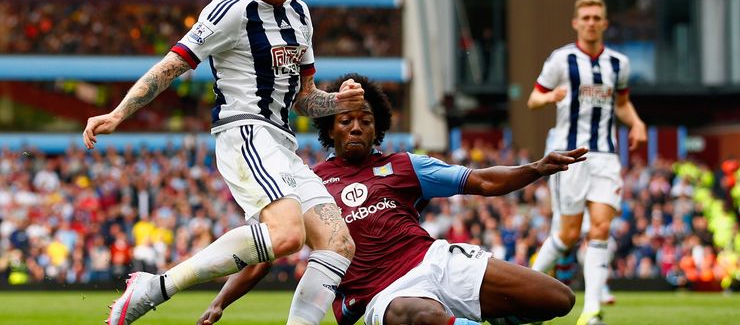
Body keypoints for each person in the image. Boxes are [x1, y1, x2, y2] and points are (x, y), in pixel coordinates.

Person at [82, 0, 364, 325]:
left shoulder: (300, 13)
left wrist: (338, 102)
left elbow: (304, 100)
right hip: (244, 131)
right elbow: (171, 66)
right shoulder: (228, 10)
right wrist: (119, 112)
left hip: (281, 142)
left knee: (338, 243)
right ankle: (155, 288)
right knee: (287, 236)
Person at [195, 73, 587, 325]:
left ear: (377, 128)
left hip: (434, 261)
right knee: (422, 315)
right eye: (345, 121)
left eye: (365, 121)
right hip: (381, 295)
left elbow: (481, 181)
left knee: (557, 299)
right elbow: (263, 254)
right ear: (328, 131)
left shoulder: (405, 166)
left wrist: (535, 168)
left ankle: (491, 314)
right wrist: (220, 302)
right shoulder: (306, 183)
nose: (355, 127)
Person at [527, 0, 647, 325]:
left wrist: (635, 122)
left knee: (601, 227)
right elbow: (533, 98)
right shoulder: (561, 60)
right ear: (576, 23)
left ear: (605, 24)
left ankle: (592, 310)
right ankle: (523, 290)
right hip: (569, 155)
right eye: (587, 17)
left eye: (597, 17)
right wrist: (550, 96)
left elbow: (622, 104)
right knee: (566, 236)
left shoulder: (618, 64)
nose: (592, 22)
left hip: (606, 155)